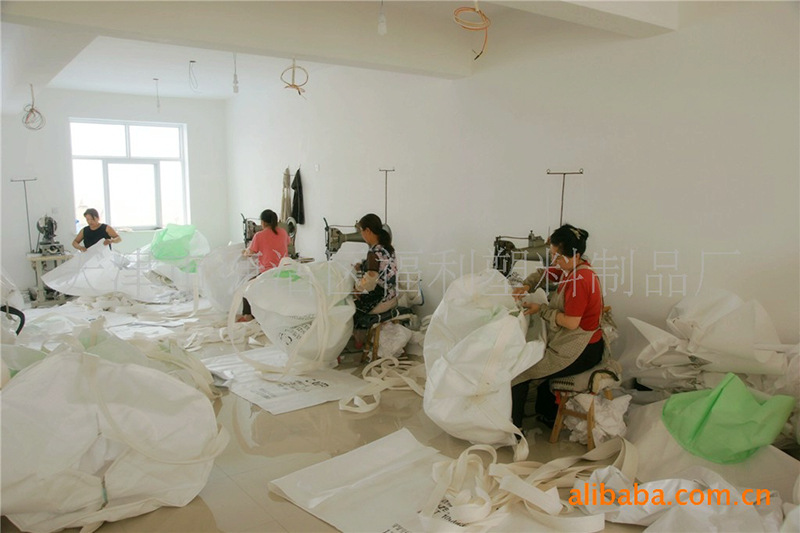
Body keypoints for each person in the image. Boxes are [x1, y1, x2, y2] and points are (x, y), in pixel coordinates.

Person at [510, 223, 605, 429]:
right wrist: (527, 284)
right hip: (580, 340)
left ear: (575, 255)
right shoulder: (573, 267)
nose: (555, 260)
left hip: (583, 348)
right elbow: (547, 274)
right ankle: (547, 415)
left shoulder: (580, 280)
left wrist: (542, 310)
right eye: (552, 255)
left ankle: (515, 430)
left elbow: (571, 322)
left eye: (558, 256)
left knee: (519, 373)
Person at [352, 213, 398, 346]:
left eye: (361, 231)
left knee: (350, 307)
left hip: (381, 300)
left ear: (368, 231)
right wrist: (362, 266)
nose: (361, 235)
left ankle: (359, 341)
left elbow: (371, 279)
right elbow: (382, 267)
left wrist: (357, 289)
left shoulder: (373, 252)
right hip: (392, 296)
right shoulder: (387, 248)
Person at [239, 209, 290, 321]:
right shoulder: (283, 232)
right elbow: (287, 244)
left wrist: (244, 252)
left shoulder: (259, 235)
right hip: (284, 271)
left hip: (268, 274)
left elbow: (250, 252)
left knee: (246, 286)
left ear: (263, 222)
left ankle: (247, 315)